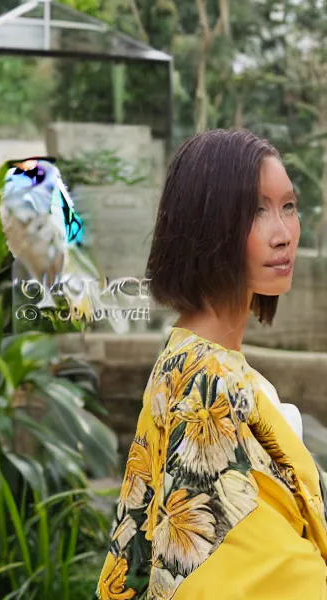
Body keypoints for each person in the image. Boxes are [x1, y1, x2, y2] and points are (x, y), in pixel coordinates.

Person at [95, 129, 327, 600]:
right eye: (257, 210)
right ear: (208, 225)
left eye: (288, 206)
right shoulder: (207, 383)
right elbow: (245, 571)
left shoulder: (191, 360)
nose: (284, 233)